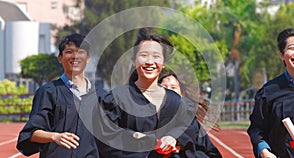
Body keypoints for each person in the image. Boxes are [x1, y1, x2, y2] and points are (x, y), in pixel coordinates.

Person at [94, 27, 222, 158]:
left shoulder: (177, 102)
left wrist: (175, 138)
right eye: (144, 55)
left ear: (164, 63)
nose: (150, 62)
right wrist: (148, 142)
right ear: (133, 61)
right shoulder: (116, 100)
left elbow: (195, 135)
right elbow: (105, 140)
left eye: (156, 56)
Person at [16, 33, 100, 158]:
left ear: (88, 58)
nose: (75, 56)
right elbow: (31, 133)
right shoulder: (49, 92)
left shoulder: (100, 96)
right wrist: (55, 136)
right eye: (69, 51)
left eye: (80, 52)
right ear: (60, 58)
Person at [248, 28, 294, 158]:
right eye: (292, 48)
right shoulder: (269, 92)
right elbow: (257, 128)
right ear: (282, 55)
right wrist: (264, 151)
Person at [158, 69, 222, 157]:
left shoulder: (188, 117)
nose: (169, 91)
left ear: (182, 93)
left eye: (173, 87)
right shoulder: (151, 116)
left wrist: (176, 140)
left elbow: (210, 151)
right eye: (164, 87)